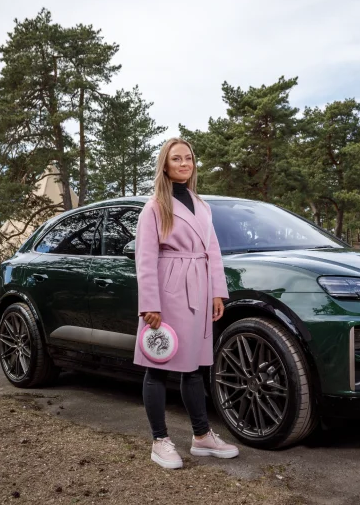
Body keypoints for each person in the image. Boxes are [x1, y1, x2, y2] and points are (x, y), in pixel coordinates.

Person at [134, 137, 239, 469]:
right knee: (158, 364)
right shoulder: (155, 206)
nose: (184, 164)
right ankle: (159, 441)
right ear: (165, 165)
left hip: (199, 288)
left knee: (194, 367)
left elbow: (213, 251)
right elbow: (145, 258)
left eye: (189, 158)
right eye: (177, 158)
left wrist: (217, 291)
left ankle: (201, 435)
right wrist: (150, 303)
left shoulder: (202, 205)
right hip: (168, 292)